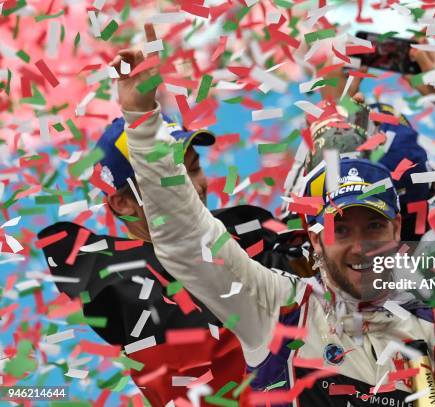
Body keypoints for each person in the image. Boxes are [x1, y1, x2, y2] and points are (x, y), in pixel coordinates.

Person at [116, 23, 435, 406]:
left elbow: (296, 208)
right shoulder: (280, 304)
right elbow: (189, 238)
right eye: (341, 228)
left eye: (374, 225)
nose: (360, 245)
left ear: (395, 225)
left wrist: (327, 127)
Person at [38, 114, 308, 406]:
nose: (194, 187)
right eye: (173, 180)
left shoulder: (248, 229)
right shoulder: (125, 285)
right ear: (123, 202)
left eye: (194, 168)